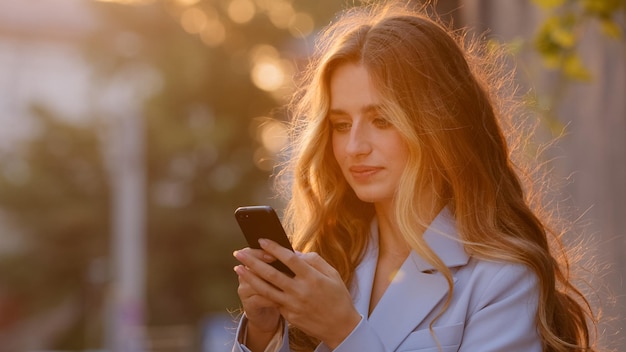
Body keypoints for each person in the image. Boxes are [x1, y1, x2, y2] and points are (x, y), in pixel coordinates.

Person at [231, 1, 599, 351]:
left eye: (382, 120)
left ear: (439, 125)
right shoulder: (330, 262)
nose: (354, 146)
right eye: (341, 125)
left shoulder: (501, 280)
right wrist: (265, 334)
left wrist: (343, 332)